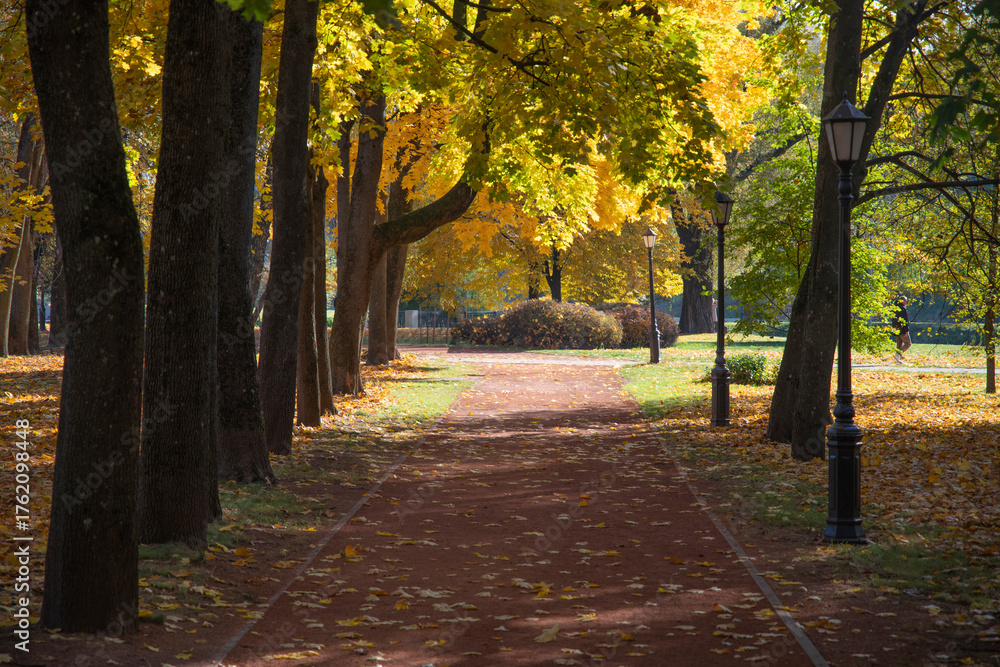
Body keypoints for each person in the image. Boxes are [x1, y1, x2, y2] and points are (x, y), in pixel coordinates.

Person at [892, 296, 911, 363]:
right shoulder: (903, 309)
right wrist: (906, 330)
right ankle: (898, 355)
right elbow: (905, 321)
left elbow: (893, 320)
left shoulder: (895, 308)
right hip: (902, 330)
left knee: (899, 345)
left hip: (896, 329)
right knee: (908, 344)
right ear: (902, 301)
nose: (906, 302)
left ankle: (898, 360)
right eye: (905, 301)